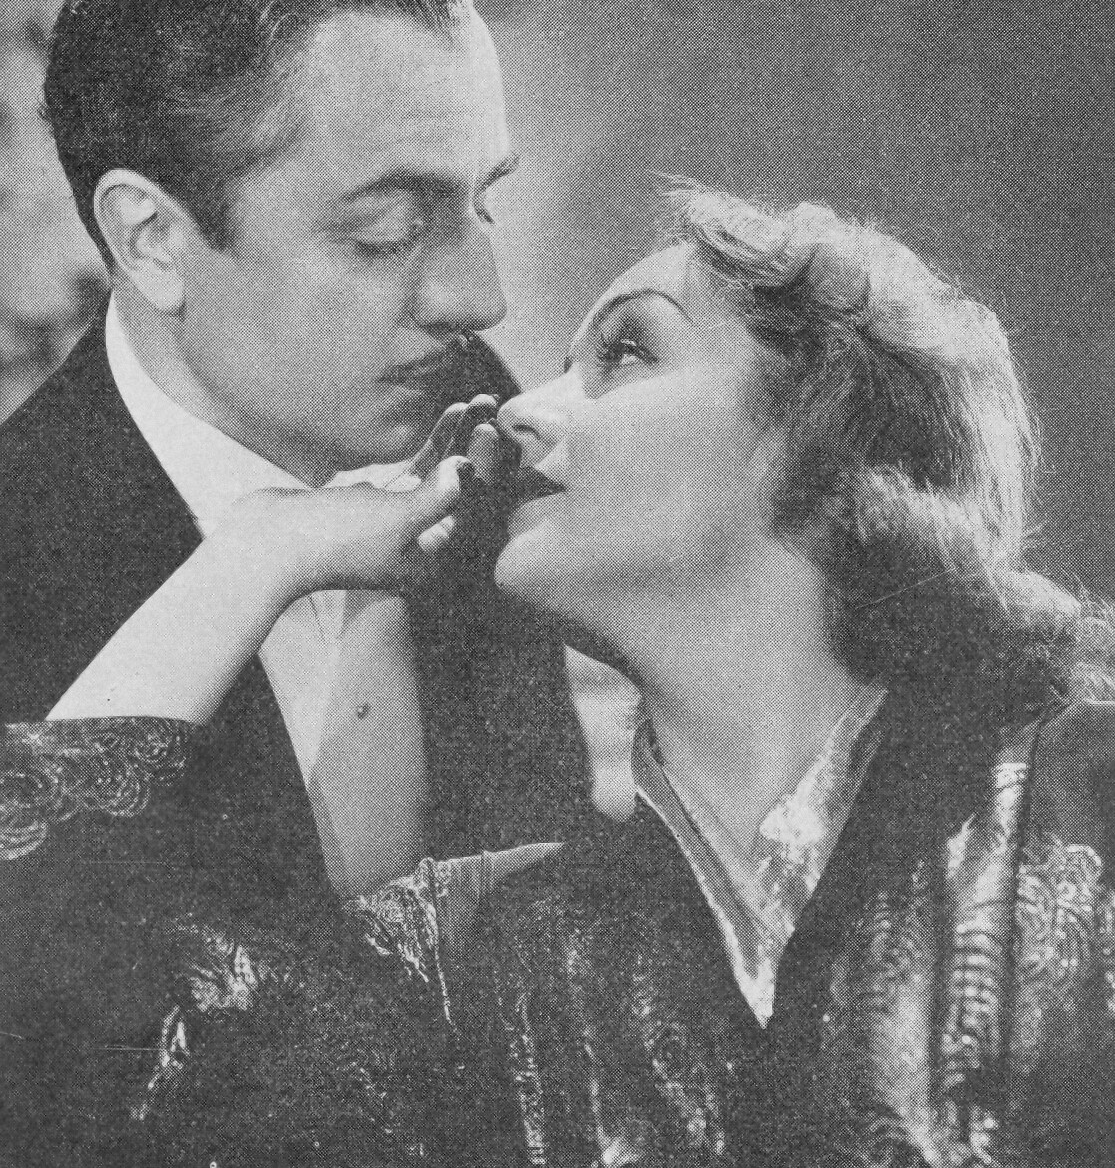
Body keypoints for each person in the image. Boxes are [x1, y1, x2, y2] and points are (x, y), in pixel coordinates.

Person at [6, 191, 1115, 1165]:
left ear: (828, 444)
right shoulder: (480, 953)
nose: (520, 409)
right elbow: (58, 1031)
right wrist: (256, 551)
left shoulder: (1080, 797)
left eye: (625, 353)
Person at [0, 0, 587, 907]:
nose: (478, 300)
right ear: (154, 240)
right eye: (385, 233)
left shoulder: (476, 410)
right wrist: (257, 561)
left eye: (481, 200)